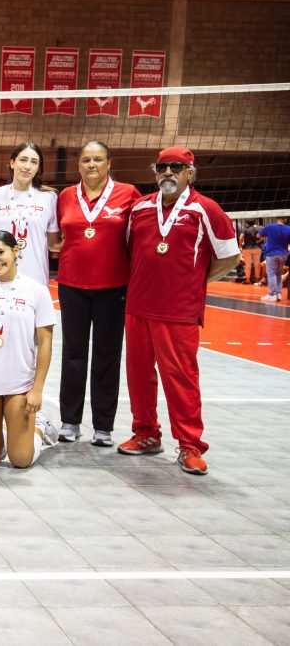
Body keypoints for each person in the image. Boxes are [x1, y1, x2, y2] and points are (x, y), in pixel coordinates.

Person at [120, 147, 240, 475]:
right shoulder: (140, 208)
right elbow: (133, 253)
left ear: (191, 173)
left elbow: (230, 257)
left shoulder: (206, 210)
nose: (168, 173)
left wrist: (196, 281)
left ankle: (190, 444)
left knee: (181, 378)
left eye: (176, 167)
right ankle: (146, 433)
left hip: (178, 310)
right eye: (162, 168)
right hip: (139, 306)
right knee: (138, 375)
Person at [55, 141, 141, 447]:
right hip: (72, 285)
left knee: (107, 355)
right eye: (86, 160)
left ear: (108, 163)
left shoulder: (129, 193)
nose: (92, 165)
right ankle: (70, 422)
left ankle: (103, 426)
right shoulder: (66, 196)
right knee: (73, 354)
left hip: (113, 286)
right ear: (79, 165)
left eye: (98, 159)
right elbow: (58, 238)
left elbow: (141, 236)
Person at [0, 231, 57, 469]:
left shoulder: (36, 291)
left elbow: (45, 343)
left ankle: (39, 427)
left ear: (15, 251)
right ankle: (18, 429)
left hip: (19, 382)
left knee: (21, 460)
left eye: (0, 252)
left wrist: (37, 389)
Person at [0, 142, 61, 286]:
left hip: (36, 276)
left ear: (38, 168)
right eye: (23, 160)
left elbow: (53, 244)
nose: (27, 166)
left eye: (34, 162)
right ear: (12, 163)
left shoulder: (50, 197)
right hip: (1, 275)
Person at [258, 217, 290, 303]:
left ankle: (272, 295)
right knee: (278, 274)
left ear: (276, 218)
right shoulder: (289, 229)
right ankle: (278, 294)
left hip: (272, 254)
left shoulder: (270, 227)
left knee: (271, 274)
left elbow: (258, 236)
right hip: (284, 254)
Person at [239, 219, 262, 286]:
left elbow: (241, 237)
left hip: (247, 248)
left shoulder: (245, 229)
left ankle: (247, 280)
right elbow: (264, 235)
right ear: (255, 221)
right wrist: (259, 240)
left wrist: (240, 245)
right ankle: (257, 280)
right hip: (257, 248)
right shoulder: (259, 228)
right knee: (256, 264)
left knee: (248, 264)